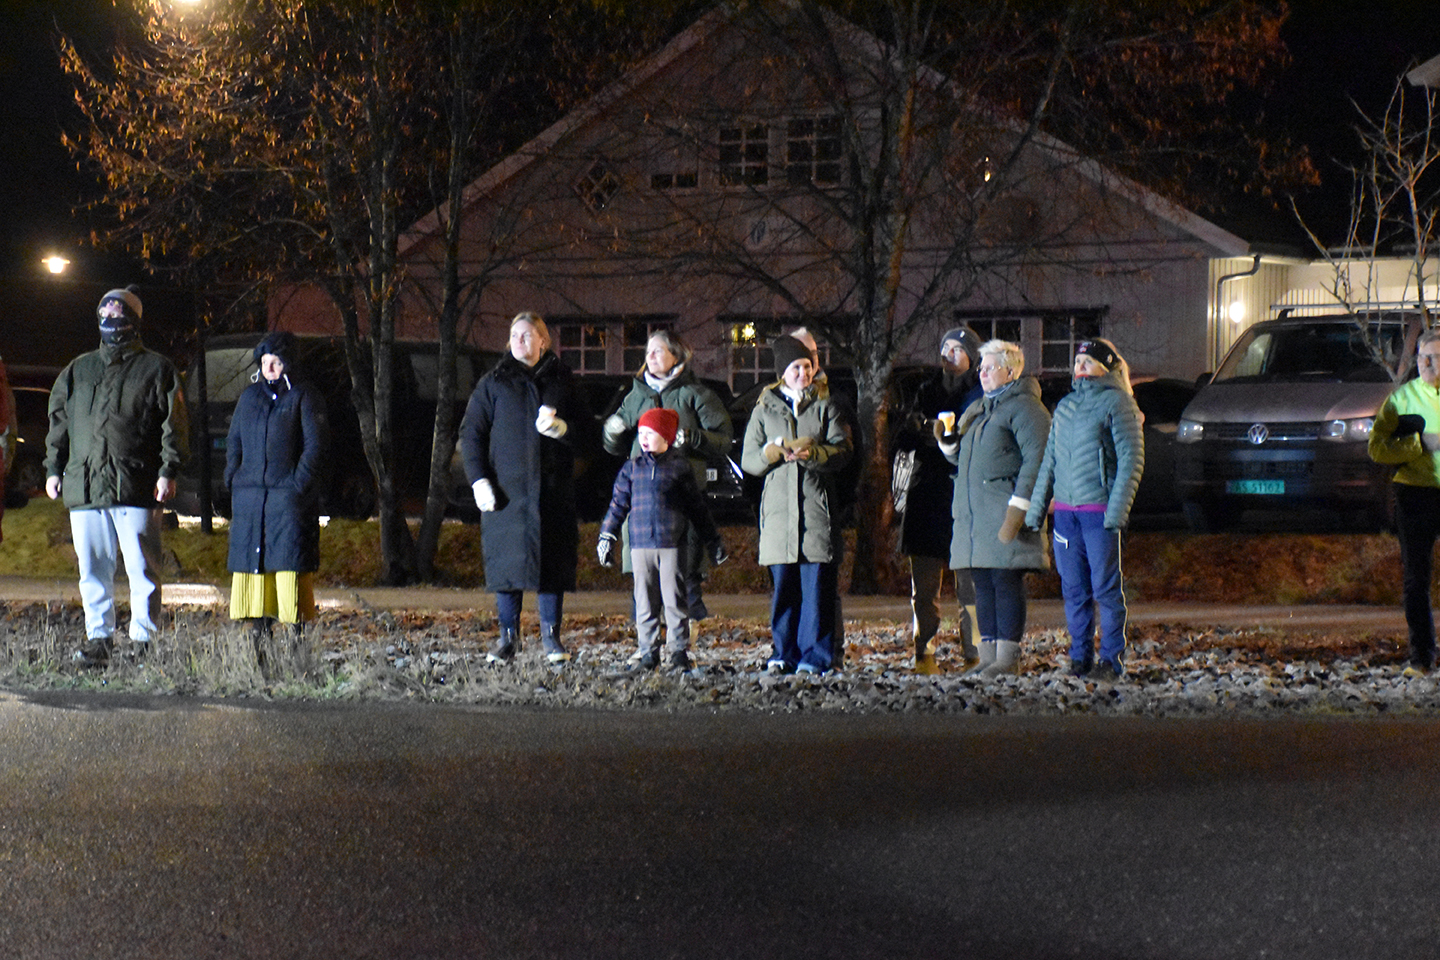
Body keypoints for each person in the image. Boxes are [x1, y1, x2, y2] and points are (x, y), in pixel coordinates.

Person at [44, 285, 189, 665]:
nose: (110, 320)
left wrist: (168, 470)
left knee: (143, 568)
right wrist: (53, 468)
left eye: (118, 314)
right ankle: (99, 640)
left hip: (137, 484)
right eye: (104, 314)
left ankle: (144, 641)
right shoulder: (78, 369)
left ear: (134, 321)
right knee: (92, 569)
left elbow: (174, 426)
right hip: (86, 485)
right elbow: (59, 423)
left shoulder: (157, 369)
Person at [459, 312, 583, 664]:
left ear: (543, 341)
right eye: (514, 334)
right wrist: (479, 480)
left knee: (552, 566)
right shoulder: (493, 383)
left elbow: (587, 430)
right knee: (506, 567)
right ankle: (508, 639)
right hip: (507, 494)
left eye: (527, 335)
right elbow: (471, 433)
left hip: (552, 492)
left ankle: (552, 639)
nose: (518, 340)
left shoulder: (563, 380)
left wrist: (563, 430)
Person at [1025, 338, 1144, 680]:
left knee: (1106, 589)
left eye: (1087, 362)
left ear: (1105, 367)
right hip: (1066, 513)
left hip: (1098, 511)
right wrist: (1036, 509)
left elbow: (1131, 459)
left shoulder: (1118, 403)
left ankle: (1111, 661)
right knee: (1074, 589)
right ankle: (1080, 658)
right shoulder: (1065, 407)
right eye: (1077, 362)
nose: (1079, 367)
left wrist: (1116, 511)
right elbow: (1050, 461)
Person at [601, 330, 733, 619]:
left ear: (677, 356)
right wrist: (612, 433)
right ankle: (647, 642)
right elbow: (614, 447)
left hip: (681, 503)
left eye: (658, 350)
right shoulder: (635, 397)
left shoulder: (697, 395)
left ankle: (687, 639)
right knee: (644, 592)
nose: (650, 356)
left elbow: (724, 440)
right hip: (642, 506)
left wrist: (695, 438)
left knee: (685, 585)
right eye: (648, 351)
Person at [740, 335, 852, 675]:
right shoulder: (764, 408)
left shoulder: (827, 406)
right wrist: (771, 454)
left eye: (807, 366)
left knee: (816, 591)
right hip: (778, 516)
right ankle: (783, 652)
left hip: (816, 511)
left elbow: (843, 451)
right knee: (784, 590)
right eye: (796, 368)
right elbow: (748, 460)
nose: (803, 373)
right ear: (782, 373)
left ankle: (816, 656)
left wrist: (813, 454)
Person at [938, 339, 1050, 676]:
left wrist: (1020, 507)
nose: (982, 374)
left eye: (990, 368)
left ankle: (1007, 659)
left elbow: (1039, 460)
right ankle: (987, 656)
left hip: (1004, 511)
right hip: (976, 517)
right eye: (981, 368)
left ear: (1011, 371)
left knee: (1004, 581)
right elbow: (966, 460)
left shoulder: (1027, 409)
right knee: (983, 584)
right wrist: (948, 444)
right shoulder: (979, 409)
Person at [224, 332, 328, 670]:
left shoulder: (304, 396)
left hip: (287, 505)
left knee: (289, 579)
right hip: (251, 504)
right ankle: (259, 662)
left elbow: (315, 446)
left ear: (288, 363)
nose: (269, 368)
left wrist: (297, 486)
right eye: (265, 362)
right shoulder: (249, 398)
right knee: (258, 587)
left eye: (276, 362)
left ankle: (298, 661)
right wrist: (234, 478)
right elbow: (234, 442)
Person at [597, 407, 726, 671]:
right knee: (645, 602)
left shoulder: (679, 468)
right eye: (641, 433)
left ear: (666, 436)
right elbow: (618, 505)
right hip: (640, 545)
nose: (643, 439)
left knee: (674, 601)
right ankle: (648, 651)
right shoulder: (632, 468)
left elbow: (697, 508)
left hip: (671, 545)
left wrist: (713, 540)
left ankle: (678, 651)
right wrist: (607, 535)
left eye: (650, 433)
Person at [892, 325, 985, 672]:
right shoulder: (926, 390)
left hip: (964, 496)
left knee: (970, 587)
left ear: (972, 358)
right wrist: (914, 428)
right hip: (927, 497)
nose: (949, 355)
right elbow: (902, 444)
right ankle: (924, 650)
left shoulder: (978, 394)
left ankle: (974, 651)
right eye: (945, 348)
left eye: (957, 350)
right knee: (924, 587)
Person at [1368, 328, 1440, 677]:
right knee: (1415, 578)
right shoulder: (1401, 400)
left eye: (1437, 357)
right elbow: (1376, 448)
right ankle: (1422, 656)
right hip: (1414, 494)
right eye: (1424, 357)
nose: (1429, 364)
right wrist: (1418, 445)